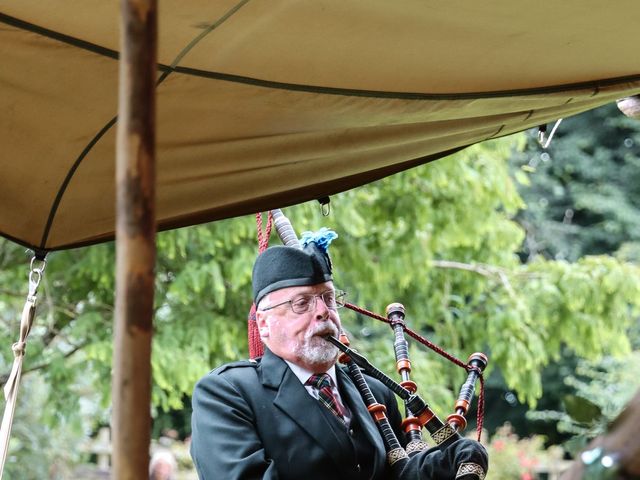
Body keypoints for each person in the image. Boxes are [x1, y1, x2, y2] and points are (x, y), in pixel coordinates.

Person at [190, 230, 488, 479]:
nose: (323, 312)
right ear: (265, 324)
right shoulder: (228, 394)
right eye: (302, 303)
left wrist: (445, 463)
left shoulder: (374, 392)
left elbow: (397, 473)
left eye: (328, 299)